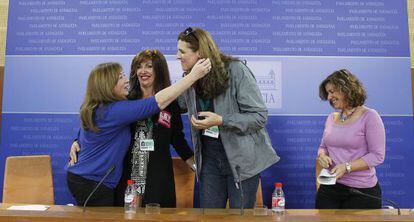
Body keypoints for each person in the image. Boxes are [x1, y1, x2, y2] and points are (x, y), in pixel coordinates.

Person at [66, 59, 211, 206]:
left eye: (149, 66)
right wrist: (192, 76)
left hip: (140, 180)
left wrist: (76, 141)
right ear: (108, 85)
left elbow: (177, 140)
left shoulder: (102, 107)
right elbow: (156, 103)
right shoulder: (119, 108)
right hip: (98, 182)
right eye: (121, 77)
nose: (127, 81)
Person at [176, 27, 280, 208]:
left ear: (199, 53)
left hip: (241, 161)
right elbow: (174, 104)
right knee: (209, 218)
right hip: (208, 160)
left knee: (239, 218)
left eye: (182, 51)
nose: (178, 56)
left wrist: (221, 120)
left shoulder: (236, 70)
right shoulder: (190, 77)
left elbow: (259, 116)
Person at [315, 69, 385, 209]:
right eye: (328, 93)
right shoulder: (331, 118)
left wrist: (346, 167)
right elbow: (323, 147)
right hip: (330, 188)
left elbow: (377, 156)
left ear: (347, 89)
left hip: (361, 191)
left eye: (333, 91)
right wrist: (322, 155)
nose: (329, 97)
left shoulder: (370, 116)